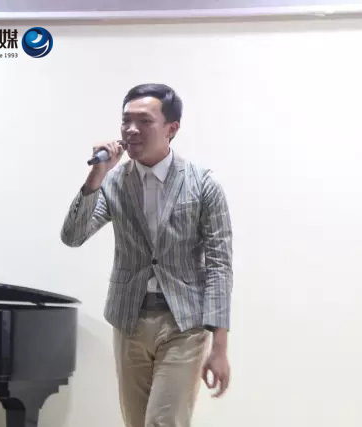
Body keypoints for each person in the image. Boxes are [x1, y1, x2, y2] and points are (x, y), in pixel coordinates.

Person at [61, 83, 233, 427]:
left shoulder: (203, 185)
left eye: (144, 121)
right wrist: (96, 175)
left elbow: (219, 266)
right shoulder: (114, 181)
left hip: (184, 322)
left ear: (172, 128)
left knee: (163, 420)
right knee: (137, 422)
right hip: (129, 318)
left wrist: (219, 347)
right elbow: (73, 236)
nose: (131, 130)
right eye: (126, 121)